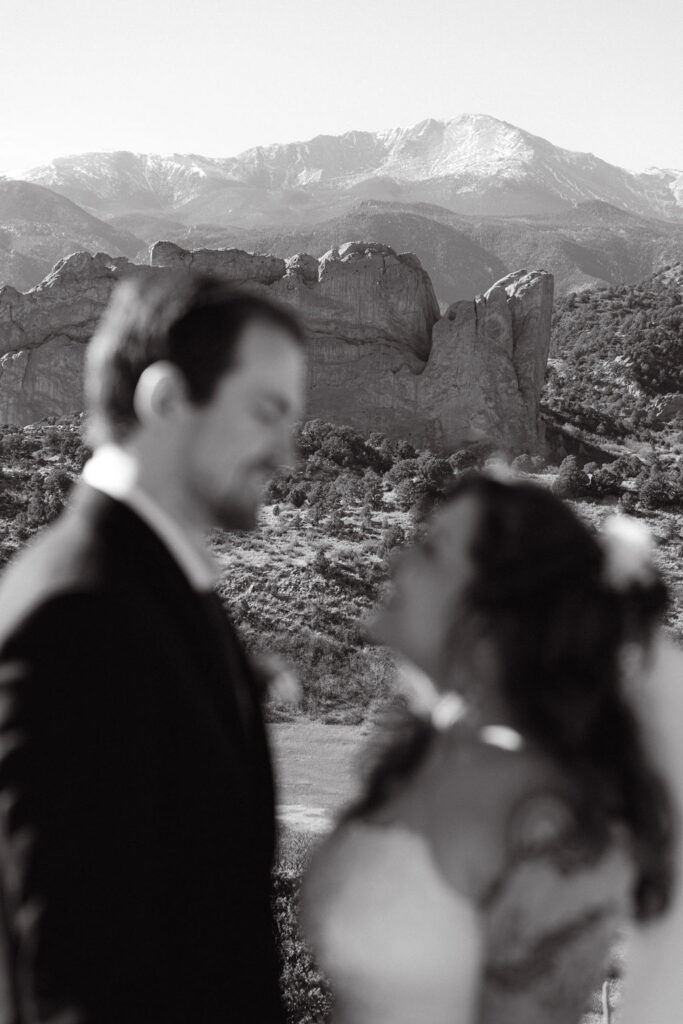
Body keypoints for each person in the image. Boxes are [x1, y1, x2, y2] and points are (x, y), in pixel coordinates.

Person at [0, 272, 306, 1023]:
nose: (287, 456)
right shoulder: (80, 617)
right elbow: (78, 979)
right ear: (165, 400)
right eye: (268, 412)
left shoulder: (149, 587)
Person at [301, 475, 674, 1024]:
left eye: (432, 550)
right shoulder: (443, 754)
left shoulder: (535, 811)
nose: (398, 559)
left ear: (490, 620)